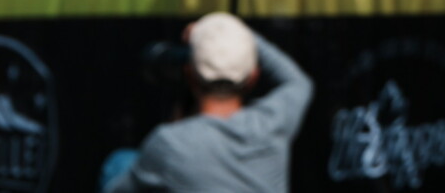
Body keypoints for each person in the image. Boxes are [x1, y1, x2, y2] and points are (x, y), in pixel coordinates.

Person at [104, 13, 311, 193]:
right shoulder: (272, 125)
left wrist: (211, 35)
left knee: (121, 162)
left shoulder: (169, 144)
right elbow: (298, 82)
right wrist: (233, 34)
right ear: (253, 77)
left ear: (189, 74)